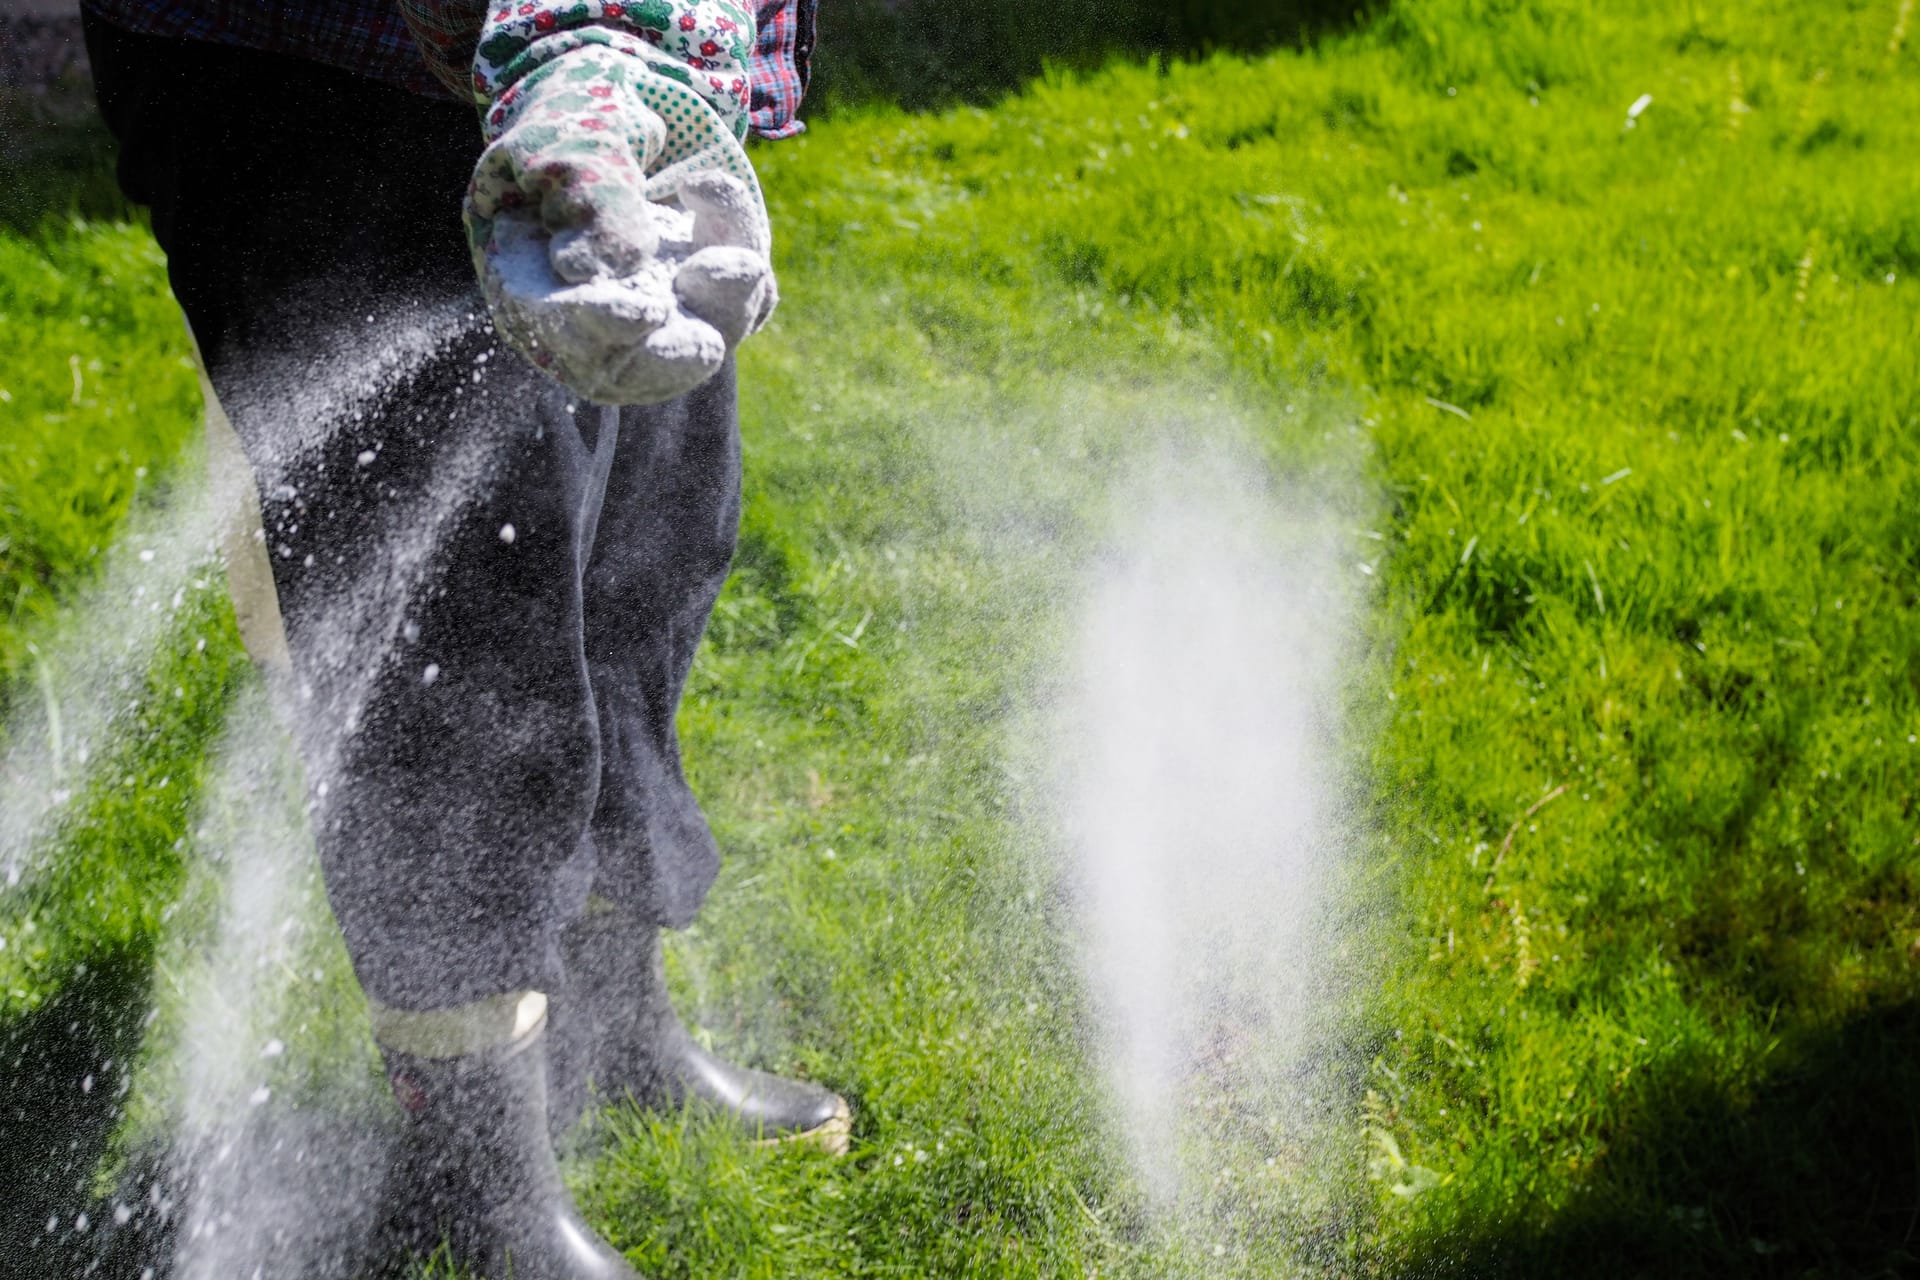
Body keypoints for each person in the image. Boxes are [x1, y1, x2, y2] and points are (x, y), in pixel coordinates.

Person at [76, 1, 841, 1275]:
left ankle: (610, 1028)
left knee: (643, 529)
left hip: (601, 56)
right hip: (328, 58)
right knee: (452, 620)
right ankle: (478, 1173)